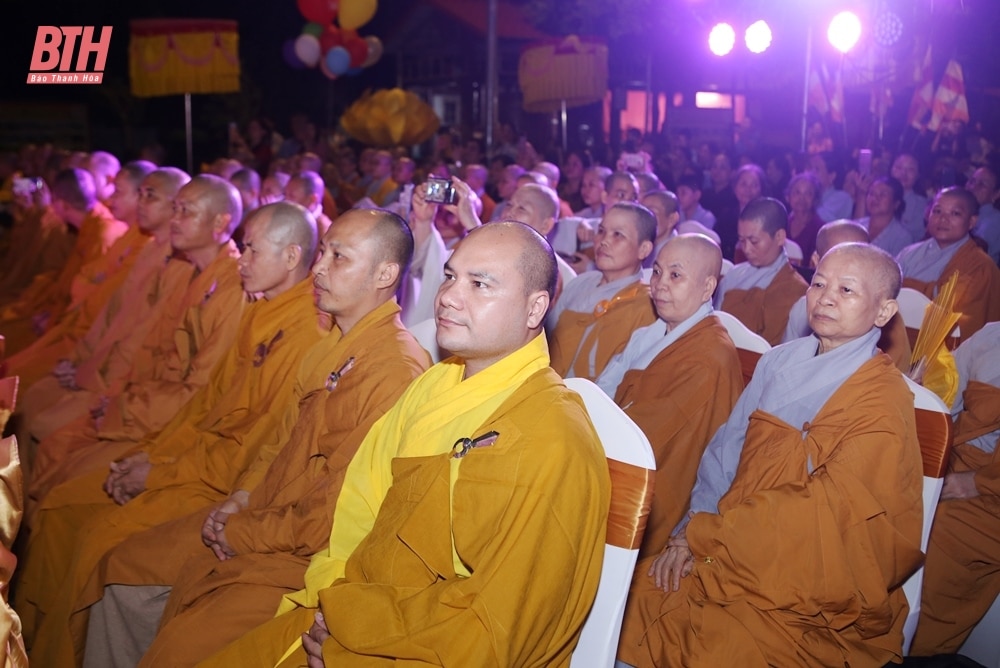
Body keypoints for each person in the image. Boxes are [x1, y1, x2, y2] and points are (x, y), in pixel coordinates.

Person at [198, 222, 610, 667]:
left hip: (405, 650)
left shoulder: (552, 437)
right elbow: (357, 508)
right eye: (450, 276)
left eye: (480, 284)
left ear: (535, 309)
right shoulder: (435, 384)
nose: (449, 296)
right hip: (348, 611)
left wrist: (355, 641)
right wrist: (332, 599)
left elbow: (496, 630)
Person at [79, 210, 431, 668]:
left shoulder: (393, 371)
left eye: (338, 257)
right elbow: (278, 444)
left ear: (385, 274)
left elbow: (337, 514)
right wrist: (240, 499)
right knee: (118, 570)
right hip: (260, 519)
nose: (318, 267)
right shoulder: (331, 346)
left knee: (175, 645)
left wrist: (243, 529)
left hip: (305, 562)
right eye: (321, 251)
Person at [18, 200, 326, 667]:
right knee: (66, 504)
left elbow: (254, 449)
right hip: (185, 453)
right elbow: (206, 406)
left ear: (290, 257)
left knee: (97, 540)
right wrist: (151, 456)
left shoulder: (308, 333)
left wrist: (158, 472)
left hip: (224, 489)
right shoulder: (262, 313)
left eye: (250, 249)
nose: (239, 259)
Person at [618, 243, 924, 667]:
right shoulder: (777, 362)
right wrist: (689, 528)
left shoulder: (883, 400)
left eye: (847, 290)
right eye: (818, 283)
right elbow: (725, 451)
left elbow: (828, 517)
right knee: (626, 607)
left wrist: (708, 535)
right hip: (722, 544)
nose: (826, 296)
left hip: (800, 586)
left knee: (716, 648)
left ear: (883, 312)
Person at [23, 175, 246, 511]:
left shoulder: (228, 288)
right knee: (46, 436)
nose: (175, 219)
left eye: (185, 211)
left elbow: (198, 391)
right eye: (175, 210)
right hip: (135, 397)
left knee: (61, 484)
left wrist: (120, 406)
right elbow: (126, 326)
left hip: (164, 423)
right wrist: (108, 388)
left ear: (221, 222)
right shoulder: (189, 269)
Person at [15, 169, 193, 452]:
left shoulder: (180, 264)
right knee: (28, 396)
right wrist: (79, 360)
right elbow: (110, 313)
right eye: (140, 194)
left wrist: (90, 374)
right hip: (88, 349)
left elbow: (141, 338)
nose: (141, 202)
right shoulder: (148, 249)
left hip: (123, 382)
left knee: (41, 423)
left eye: (150, 196)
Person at [597, 234, 742, 559]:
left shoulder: (710, 356)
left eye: (675, 276)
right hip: (611, 446)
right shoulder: (650, 333)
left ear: (707, 288)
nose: (660, 284)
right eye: (658, 272)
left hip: (654, 486)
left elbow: (656, 437)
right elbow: (605, 389)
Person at [4, 161, 157, 388]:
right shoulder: (121, 235)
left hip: (88, 340)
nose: (111, 198)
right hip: (65, 321)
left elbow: (109, 302)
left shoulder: (114, 235)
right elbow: (77, 281)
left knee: (15, 380)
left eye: (118, 191)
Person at [911, 323, 1000, 654]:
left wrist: (974, 482)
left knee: (937, 537)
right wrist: (918, 387)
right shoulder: (992, 336)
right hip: (954, 458)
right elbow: (942, 392)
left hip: (988, 494)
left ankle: (916, 651)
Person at [0, 168, 129, 354]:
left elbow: (92, 298)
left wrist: (53, 317)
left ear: (60, 204)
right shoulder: (88, 226)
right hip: (55, 312)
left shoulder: (102, 235)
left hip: (75, 332)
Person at [548, 202, 656, 381]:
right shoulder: (580, 284)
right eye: (601, 231)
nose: (603, 241)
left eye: (618, 235)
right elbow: (545, 342)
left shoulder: (648, 305)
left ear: (643, 249)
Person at [783, 220, 911, 370]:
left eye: (846, 289)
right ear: (817, 261)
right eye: (838, 252)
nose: (825, 300)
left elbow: (902, 377)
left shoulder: (887, 321)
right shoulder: (803, 308)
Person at [897, 187, 1000, 342]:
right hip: (897, 341)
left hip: (941, 354)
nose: (943, 219)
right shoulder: (908, 253)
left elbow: (961, 325)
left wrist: (905, 288)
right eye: (937, 211)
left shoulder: (980, 266)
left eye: (955, 213)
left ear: (971, 222)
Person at [715, 198, 808, 346]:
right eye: (742, 240)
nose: (746, 249)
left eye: (754, 241)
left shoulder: (797, 291)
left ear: (779, 237)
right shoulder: (733, 276)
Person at [854, 176, 914, 258]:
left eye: (882, 195)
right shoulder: (857, 225)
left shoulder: (902, 237)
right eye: (871, 193)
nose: (875, 198)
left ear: (896, 203)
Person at [785, 171, 825, 262]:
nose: (801, 199)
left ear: (815, 199)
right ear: (788, 196)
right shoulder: (781, 224)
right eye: (797, 192)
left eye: (808, 193)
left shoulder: (821, 230)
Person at [966, 165, 1000, 264]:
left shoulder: (995, 219)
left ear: (996, 194)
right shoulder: (961, 211)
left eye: (982, 184)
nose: (973, 187)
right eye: (972, 181)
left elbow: (977, 249)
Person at [891, 153, 928, 242]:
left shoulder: (923, 205)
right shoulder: (875, 196)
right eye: (899, 167)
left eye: (910, 169)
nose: (903, 173)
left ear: (918, 175)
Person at [284, 171, 333, 236]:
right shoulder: (285, 217)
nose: (285, 200)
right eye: (285, 194)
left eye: (291, 196)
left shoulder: (324, 233)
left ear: (312, 199)